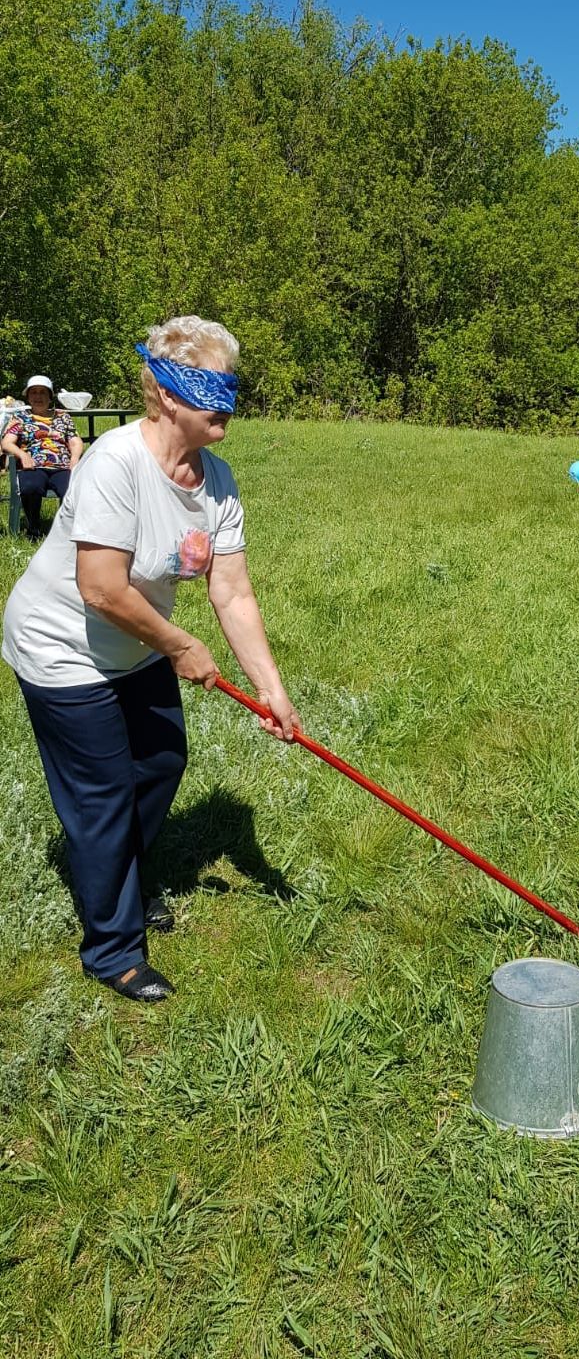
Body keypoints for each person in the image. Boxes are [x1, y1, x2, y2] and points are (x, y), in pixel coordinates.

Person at [1, 317, 299, 1003]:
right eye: (208, 389)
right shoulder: (115, 463)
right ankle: (112, 949)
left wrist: (272, 689)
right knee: (103, 794)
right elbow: (101, 588)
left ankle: (121, 884)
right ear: (164, 394)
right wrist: (180, 644)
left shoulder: (216, 481)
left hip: (135, 644)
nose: (226, 402)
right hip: (62, 648)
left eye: (232, 388)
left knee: (162, 762)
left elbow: (232, 590)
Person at [0, 375, 83, 540]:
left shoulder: (63, 416)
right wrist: (22, 454)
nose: (38, 397)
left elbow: (75, 441)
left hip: (62, 466)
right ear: (28, 396)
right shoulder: (20, 418)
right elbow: (7, 443)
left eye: (43, 392)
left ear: (50, 396)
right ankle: (34, 528)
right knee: (31, 486)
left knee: (72, 489)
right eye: (34, 393)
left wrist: (75, 459)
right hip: (32, 465)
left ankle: (68, 532)